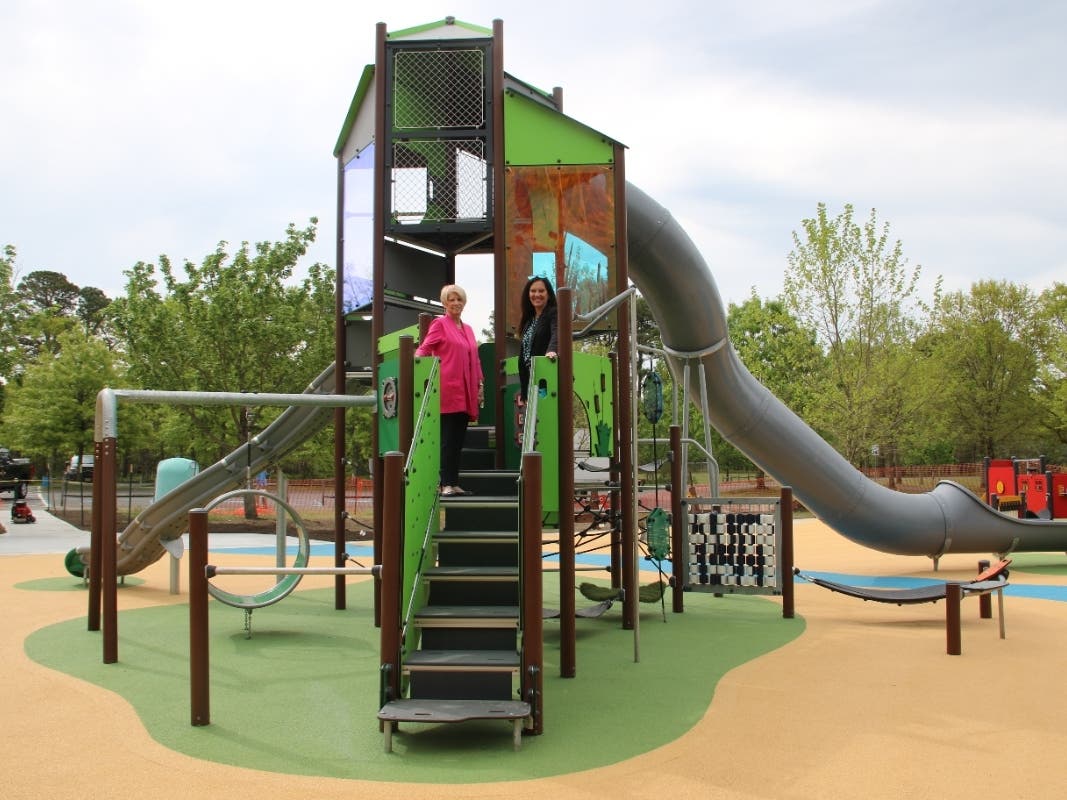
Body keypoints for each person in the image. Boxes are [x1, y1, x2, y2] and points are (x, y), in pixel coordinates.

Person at [415, 284, 484, 497]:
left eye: (459, 299)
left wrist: (480, 383)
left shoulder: (469, 329)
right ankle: (445, 483)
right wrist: (418, 368)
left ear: (464, 303)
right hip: (448, 389)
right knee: (447, 439)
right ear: (445, 303)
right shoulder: (439, 325)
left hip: (466, 390)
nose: (455, 303)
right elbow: (424, 348)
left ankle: (453, 482)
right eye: (451, 300)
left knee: (458, 440)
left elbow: (476, 359)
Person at [517, 275, 559, 407]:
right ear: (528, 294)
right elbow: (525, 355)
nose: (537, 294)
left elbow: (556, 332)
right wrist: (524, 392)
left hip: (546, 379)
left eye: (541, 291)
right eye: (533, 291)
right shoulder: (529, 321)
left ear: (549, 294)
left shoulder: (553, 313)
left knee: (545, 418)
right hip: (531, 381)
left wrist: (552, 350)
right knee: (535, 424)